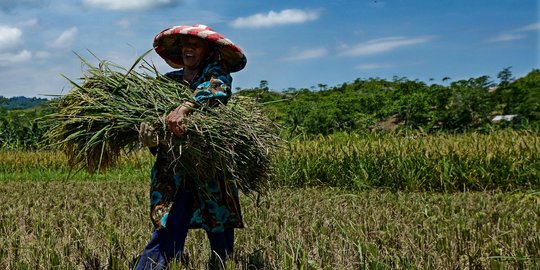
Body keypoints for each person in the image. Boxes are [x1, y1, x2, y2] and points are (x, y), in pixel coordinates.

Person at [135, 24, 247, 270]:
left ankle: (221, 265)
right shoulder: (165, 84)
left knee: (219, 226)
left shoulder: (215, 74)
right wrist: (151, 137)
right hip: (173, 169)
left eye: (195, 45)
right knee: (166, 224)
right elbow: (150, 118)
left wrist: (185, 108)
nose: (189, 49)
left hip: (209, 166)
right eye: (185, 45)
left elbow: (216, 89)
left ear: (207, 51)